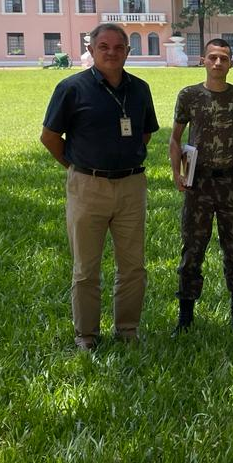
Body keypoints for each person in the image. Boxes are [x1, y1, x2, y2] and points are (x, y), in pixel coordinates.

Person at [39, 23, 159, 349]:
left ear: (127, 51)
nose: (111, 52)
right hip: (87, 187)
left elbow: (144, 133)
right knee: (86, 269)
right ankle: (86, 336)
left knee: (133, 267)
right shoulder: (71, 88)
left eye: (118, 47)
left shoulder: (140, 89)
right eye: (103, 46)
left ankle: (128, 331)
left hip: (131, 185)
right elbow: (50, 138)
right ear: (91, 50)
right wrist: (78, 168)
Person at [169, 37, 233, 334]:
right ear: (203, 61)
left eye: (224, 58)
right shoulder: (189, 95)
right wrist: (176, 173)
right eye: (213, 58)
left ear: (231, 63)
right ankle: (185, 317)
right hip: (198, 182)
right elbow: (175, 138)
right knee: (193, 248)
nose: (218, 62)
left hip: (230, 183)